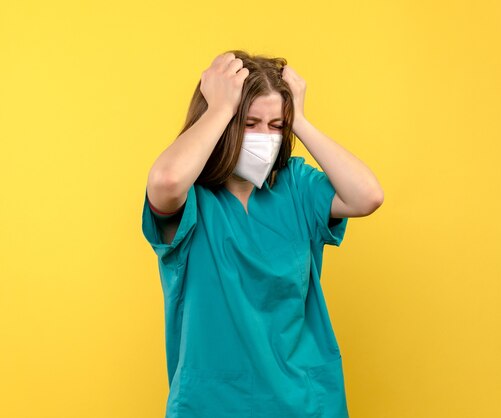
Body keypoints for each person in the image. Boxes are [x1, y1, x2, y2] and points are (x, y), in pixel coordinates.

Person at [142, 50, 384, 418]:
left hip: (304, 402)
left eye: (275, 127)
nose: (264, 138)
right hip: (209, 405)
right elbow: (167, 180)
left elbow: (368, 195)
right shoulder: (192, 199)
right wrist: (220, 108)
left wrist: (298, 120)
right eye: (249, 123)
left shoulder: (297, 186)